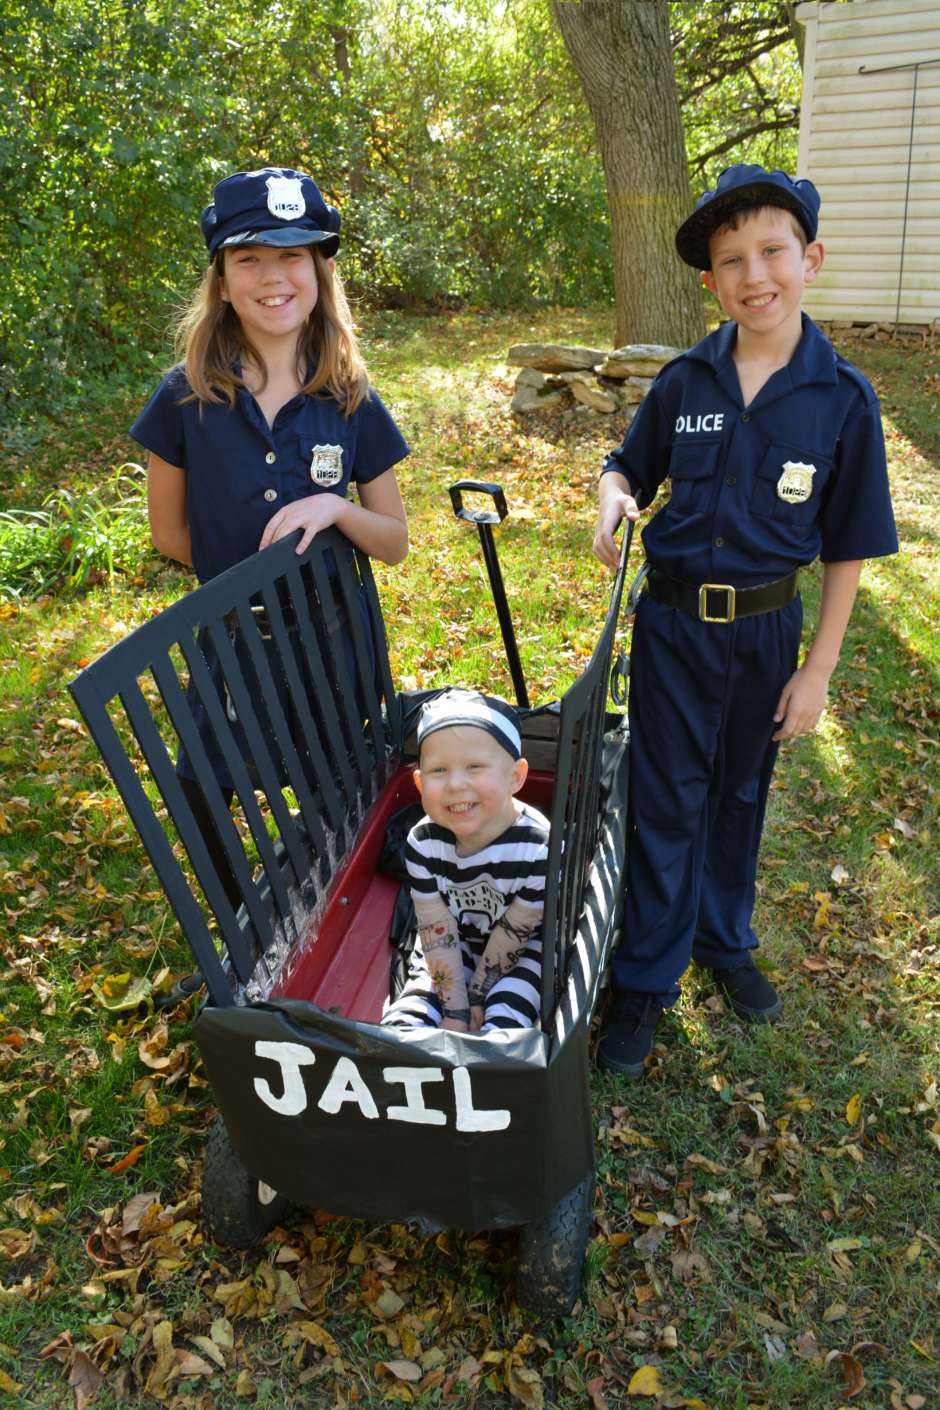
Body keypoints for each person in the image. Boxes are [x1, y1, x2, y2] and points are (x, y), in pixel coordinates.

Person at [592, 163, 898, 1078]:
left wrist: (819, 670)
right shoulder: (686, 379)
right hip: (675, 631)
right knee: (665, 795)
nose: (753, 275)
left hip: (766, 638)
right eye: (732, 261)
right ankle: (647, 973)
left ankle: (723, 941)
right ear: (710, 281)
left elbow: (847, 546)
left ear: (811, 258)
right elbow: (625, 466)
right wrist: (610, 500)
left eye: (772, 252)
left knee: (737, 793)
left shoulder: (843, 399)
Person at [130, 166, 410, 901]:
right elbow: (168, 531)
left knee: (335, 786)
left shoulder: (349, 396)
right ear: (221, 280)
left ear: (319, 271)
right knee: (201, 786)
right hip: (228, 640)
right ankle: (241, 924)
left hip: (332, 638)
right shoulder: (184, 394)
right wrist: (246, 584)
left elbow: (393, 539)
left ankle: (322, 910)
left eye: (293, 255)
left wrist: (336, 510)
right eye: (249, 257)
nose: (273, 276)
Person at [381, 690, 549, 1034]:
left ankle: (491, 1073)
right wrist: (454, 1009)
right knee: (403, 1023)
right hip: (448, 948)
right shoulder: (423, 843)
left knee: (504, 1020)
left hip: (520, 951)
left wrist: (477, 999)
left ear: (516, 776)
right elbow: (435, 928)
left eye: (475, 767)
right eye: (438, 770)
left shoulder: (536, 847)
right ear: (419, 782)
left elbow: (515, 931)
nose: (456, 784)